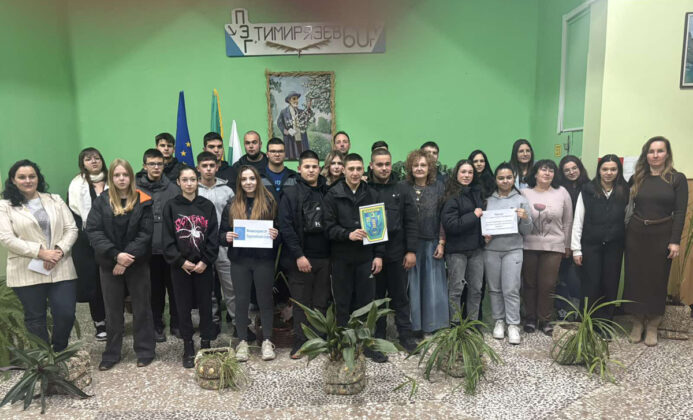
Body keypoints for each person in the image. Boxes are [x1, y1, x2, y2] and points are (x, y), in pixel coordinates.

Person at [0, 160, 78, 351]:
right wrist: (41, 253)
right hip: (26, 269)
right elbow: (6, 238)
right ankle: (44, 357)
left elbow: (71, 228)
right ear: (13, 180)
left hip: (60, 266)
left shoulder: (55, 200)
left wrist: (58, 252)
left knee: (66, 313)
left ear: (38, 178)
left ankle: (58, 351)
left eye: (32, 176)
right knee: (35, 317)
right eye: (22, 177)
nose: (28, 180)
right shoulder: (5, 205)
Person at [86, 159, 155, 370]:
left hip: (137, 263)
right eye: (117, 175)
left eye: (125, 174)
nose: (121, 179)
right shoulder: (101, 201)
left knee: (142, 308)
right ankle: (111, 353)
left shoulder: (143, 200)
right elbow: (94, 231)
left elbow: (145, 234)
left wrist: (125, 259)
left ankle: (145, 350)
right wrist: (116, 256)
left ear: (131, 177)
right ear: (111, 178)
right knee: (113, 311)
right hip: (110, 263)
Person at [623, 136, 688, 346]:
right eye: (651, 151)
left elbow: (680, 212)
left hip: (662, 235)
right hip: (636, 234)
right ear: (646, 155)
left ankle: (652, 325)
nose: (655, 155)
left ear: (667, 154)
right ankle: (637, 323)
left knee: (657, 280)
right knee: (635, 278)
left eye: (660, 151)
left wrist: (675, 241)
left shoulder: (677, 179)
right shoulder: (637, 178)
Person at [323, 153, 385, 361]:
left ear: (364, 170)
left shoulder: (372, 194)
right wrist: (347, 234)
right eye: (351, 169)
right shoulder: (333, 195)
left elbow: (379, 228)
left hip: (366, 258)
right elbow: (328, 228)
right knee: (342, 303)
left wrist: (379, 255)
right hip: (341, 258)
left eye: (359, 169)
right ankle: (344, 344)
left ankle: (366, 345)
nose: (355, 173)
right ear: (343, 170)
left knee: (366, 304)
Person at [219, 166, 279, 362]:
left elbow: (280, 231)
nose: (248, 182)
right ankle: (243, 341)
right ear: (239, 182)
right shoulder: (231, 205)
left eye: (252, 178)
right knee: (241, 300)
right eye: (244, 179)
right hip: (240, 260)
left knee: (265, 300)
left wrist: (275, 235)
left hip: (263, 260)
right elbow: (221, 234)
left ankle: (267, 341)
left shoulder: (269, 203)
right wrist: (226, 236)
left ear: (257, 180)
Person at [162, 167, 219, 368]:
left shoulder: (207, 206)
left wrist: (206, 261)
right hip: (181, 267)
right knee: (183, 306)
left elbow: (213, 236)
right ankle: (188, 345)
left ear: (197, 181)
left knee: (206, 305)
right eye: (185, 180)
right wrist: (180, 261)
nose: (189, 183)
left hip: (203, 266)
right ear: (178, 182)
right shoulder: (171, 206)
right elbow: (167, 238)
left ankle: (206, 342)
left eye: (192, 179)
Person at [279, 150, 331, 359]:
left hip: (325, 258)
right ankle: (301, 343)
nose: (311, 170)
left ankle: (319, 341)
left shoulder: (328, 192)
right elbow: (286, 227)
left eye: (314, 167)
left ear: (320, 169)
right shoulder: (290, 194)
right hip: (300, 258)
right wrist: (299, 255)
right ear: (299, 169)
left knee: (321, 302)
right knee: (301, 303)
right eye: (307, 167)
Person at [368, 149, 419, 354]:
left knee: (400, 297)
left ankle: (405, 336)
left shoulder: (402, 188)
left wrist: (411, 250)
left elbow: (411, 221)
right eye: (379, 164)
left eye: (387, 164)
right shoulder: (365, 189)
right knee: (376, 298)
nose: (384, 168)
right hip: (373, 256)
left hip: (398, 253)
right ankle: (379, 337)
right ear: (371, 166)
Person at [571, 155, 628, 330]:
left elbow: (628, 218)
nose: (609, 173)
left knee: (610, 284)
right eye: (605, 169)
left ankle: (604, 325)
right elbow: (578, 220)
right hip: (591, 246)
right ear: (599, 170)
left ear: (618, 171)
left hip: (614, 246)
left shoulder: (625, 190)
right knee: (591, 285)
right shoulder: (587, 190)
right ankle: (587, 324)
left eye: (613, 169)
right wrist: (576, 249)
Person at [521, 160, 573, 335]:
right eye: (543, 170)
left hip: (554, 246)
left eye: (551, 170)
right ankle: (530, 318)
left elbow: (568, 221)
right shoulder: (525, 193)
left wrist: (567, 245)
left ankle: (545, 319)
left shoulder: (562, 192)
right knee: (529, 283)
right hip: (528, 245)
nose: (547, 173)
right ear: (535, 173)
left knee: (548, 284)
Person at [484, 162, 532, 345]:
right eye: (501, 178)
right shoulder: (488, 200)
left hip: (513, 250)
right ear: (496, 180)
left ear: (514, 179)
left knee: (511, 288)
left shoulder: (521, 200)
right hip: (491, 250)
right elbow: (482, 227)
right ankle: (499, 321)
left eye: (509, 177)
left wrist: (525, 218)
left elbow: (527, 230)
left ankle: (513, 324)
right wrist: (484, 235)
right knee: (494, 288)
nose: (505, 181)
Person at [136, 148, 180, 342]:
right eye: (152, 164)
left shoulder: (173, 189)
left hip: (170, 249)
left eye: (159, 164)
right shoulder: (135, 189)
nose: (156, 167)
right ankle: (156, 324)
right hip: (147, 251)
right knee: (154, 292)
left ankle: (177, 323)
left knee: (175, 289)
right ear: (144, 166)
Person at [403, 150, 448, 335]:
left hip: (431, 243)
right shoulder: (403, 188)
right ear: (410, 168)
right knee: (413, 286)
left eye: (423, 165)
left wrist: (441, 242)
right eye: (416, 165)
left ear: (430, 168)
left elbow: (443, 217)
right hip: (410, 246)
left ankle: (433, 324)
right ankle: (415, 326)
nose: (419, 168)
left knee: (432, 286)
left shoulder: (439, 188)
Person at [67, 147, 107, 341]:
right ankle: (100, 322)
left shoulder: (113, 180)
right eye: (88, 159)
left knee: (114, 282)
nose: (93, 161)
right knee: (95, 283)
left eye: (97, 158)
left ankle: (115, 320)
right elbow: (73, 217)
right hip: (86, 242)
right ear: (82, 163)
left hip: (113, 240)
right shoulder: (76, 185)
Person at [441, 159, 485, 323]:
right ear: (456, 174)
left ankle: (473, 323)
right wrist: (473, 215)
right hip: (456, 251)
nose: (467, 175)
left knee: (476, 289)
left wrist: (485, 234)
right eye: (463, 172)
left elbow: (481, 219)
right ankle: (456, 325)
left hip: (476, 249)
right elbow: (451, 225)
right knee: (456, 290)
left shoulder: (476, 194)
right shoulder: (451, 196)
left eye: (470, 172)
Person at [197, 151, 234, 338]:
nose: (208, 169)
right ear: (198, 168)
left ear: (217, 167)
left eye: (212, 165)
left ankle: (238, 323)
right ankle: (212, 323)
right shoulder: (193, 190)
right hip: (201, 247)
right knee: (208, 289)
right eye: (204, 166)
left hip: (223, 246)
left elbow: (235, 217)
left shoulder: (227, 191)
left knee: (231, 287)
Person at [555, 155, 590, 319]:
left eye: (574, 168)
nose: (571, 172)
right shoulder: (559, 190)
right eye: (567, 170)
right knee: (564, 277)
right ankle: (563, 311)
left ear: (580, 168)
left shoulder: (590, 187)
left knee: (581, 278)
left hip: (585, 239)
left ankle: (580, 312)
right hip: (563, 239)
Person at [277, 92, 314, 160]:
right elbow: (279, 123)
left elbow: (308, 115)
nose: (296, 101)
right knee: (292, 156)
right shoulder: (284, 112)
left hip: (301, 137)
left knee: (303, 156)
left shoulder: (300, 111)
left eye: (297, 99)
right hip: (290, 138)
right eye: (294, 99)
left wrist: (309, 107)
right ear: (289, 100)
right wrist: (285, 131)